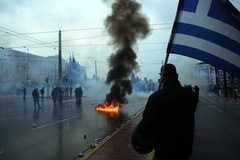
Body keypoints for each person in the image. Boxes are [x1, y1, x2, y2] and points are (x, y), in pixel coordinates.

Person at [134, 63, 198, 160]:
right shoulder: (190, 95)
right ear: (177, 76)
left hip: (164, 152)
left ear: (162, 77)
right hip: (185, 150)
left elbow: (145, 128)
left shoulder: (156, 98)